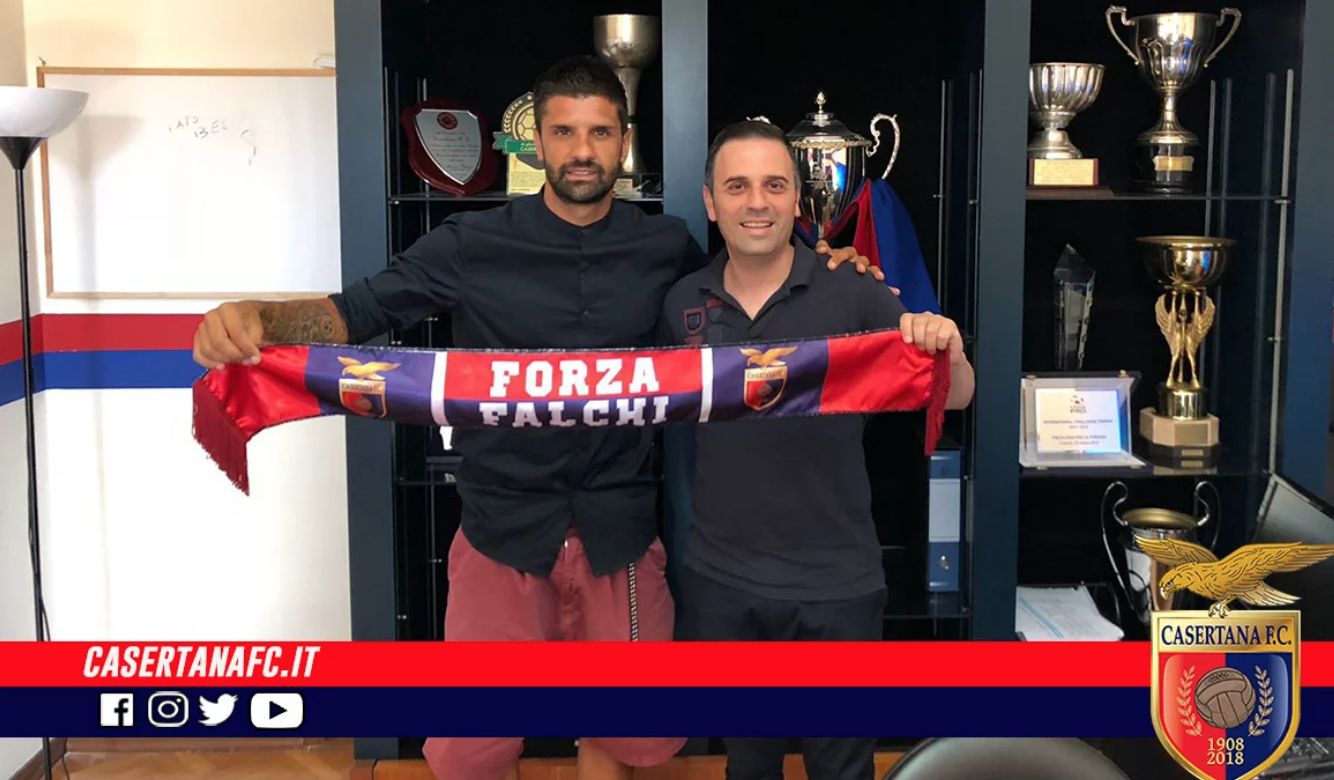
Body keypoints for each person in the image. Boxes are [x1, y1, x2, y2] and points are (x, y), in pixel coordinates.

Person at [190, 58, 878, 780]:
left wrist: (836, 264)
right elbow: (354, 312)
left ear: (624, 143)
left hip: (619, 530)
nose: (582, 150)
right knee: (472, 752)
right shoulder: (468, 242)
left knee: (622, 734)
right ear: (536, 141)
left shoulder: (667, 246)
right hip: (501, 528)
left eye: (600, 133)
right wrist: (257, 317)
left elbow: (748, 278)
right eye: (564, 132)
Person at [659, 121, 976, 780]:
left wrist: (944, 343)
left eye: (774, 185)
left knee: (842, 770)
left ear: (797, 199)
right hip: (723, 583)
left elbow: (958, 396)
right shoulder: (682, 302)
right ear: (711, 202)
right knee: (748, 768)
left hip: (837, 587)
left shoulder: (851, 288)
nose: (757, 202)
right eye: (737, 186)